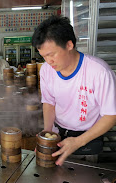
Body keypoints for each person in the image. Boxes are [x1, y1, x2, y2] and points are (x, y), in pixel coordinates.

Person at [32, 15, 116, 166]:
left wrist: (78, 142)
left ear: (69, 45)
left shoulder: (99, 72)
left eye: (51, 55)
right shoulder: (46, 70)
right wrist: (46, 135)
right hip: (58, 135)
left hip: (88, 138)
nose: (48, 61)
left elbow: (110, 115)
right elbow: (49, 103)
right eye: (44, 56)